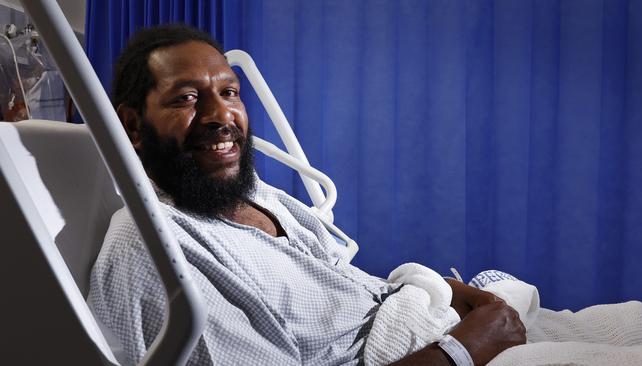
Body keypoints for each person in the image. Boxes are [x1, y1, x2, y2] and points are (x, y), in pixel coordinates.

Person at [89, 24, 525, 366]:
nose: (221, 114)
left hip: (437, 326)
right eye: (186, 98)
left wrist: (451, 292)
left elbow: (344, 287)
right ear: (132, 127)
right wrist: (464, 350)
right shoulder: (155, 247)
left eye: (229, 92)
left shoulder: (258, 197)